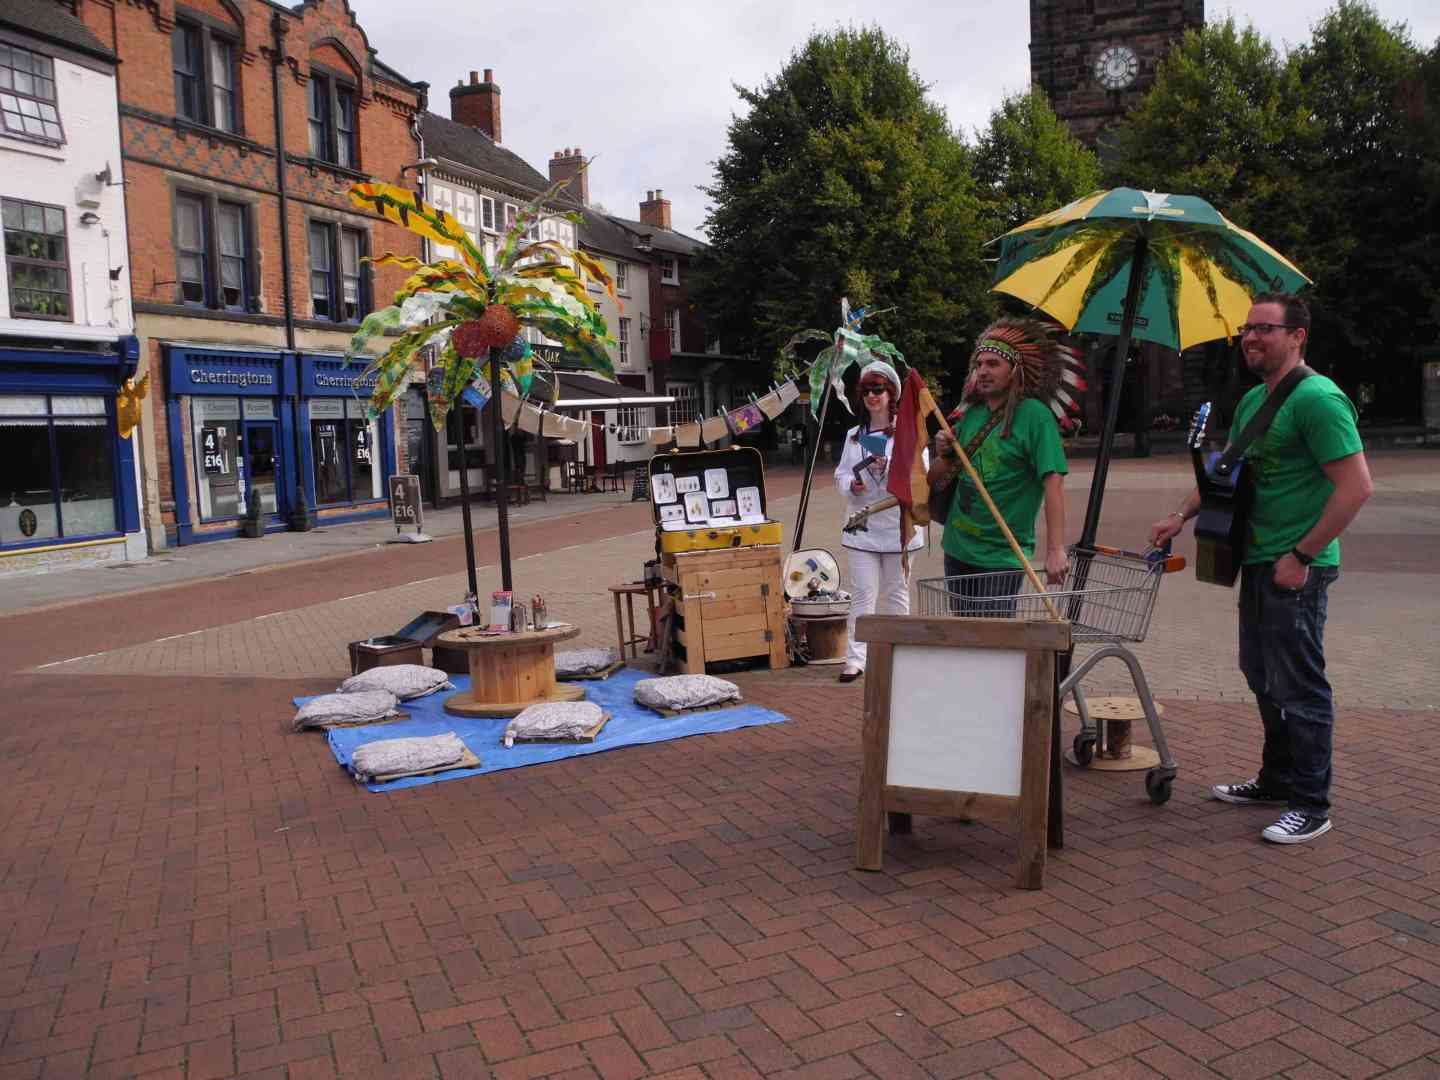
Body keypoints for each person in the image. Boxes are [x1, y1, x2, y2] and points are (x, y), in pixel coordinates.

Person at [1150, 293, 1371, 845]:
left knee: (1300, 686)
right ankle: (1277, 780)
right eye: (1247, 328)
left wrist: (1302, 556)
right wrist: (1179, 515)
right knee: (1260, 674)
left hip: (1297, 568)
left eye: (1265, 329)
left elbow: (1356, 488)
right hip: (1258, 560)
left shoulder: (1319, 400)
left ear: (1297, 336)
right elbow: (1225, 472)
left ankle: (1311, 804)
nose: (1251, 337)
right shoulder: (1255, 399)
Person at [927, 318, 1075, 613]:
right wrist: (945, 454)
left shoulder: (1036, 417)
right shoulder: (972, 415)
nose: (983, 371)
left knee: (993, 635)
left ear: (1015, 370)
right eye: (979, 364)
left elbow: (1054, 482)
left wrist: (1056, 549)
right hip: (957, 547)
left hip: (1002, 555)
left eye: (993, 364)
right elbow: (933, 479)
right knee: (964, 633)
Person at [834, 360, 926, 683]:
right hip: (861, 528)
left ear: (891, 394)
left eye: (879, 390)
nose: (872, 396)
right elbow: (841, 474)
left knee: (896, 593)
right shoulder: (854, 436)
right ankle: (855, 659)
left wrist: (893, 470)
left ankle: (900, 654)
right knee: (862, 594)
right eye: (867, 391)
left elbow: (923, 473)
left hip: (898, 528)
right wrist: (851, 485)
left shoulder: (907, 432)